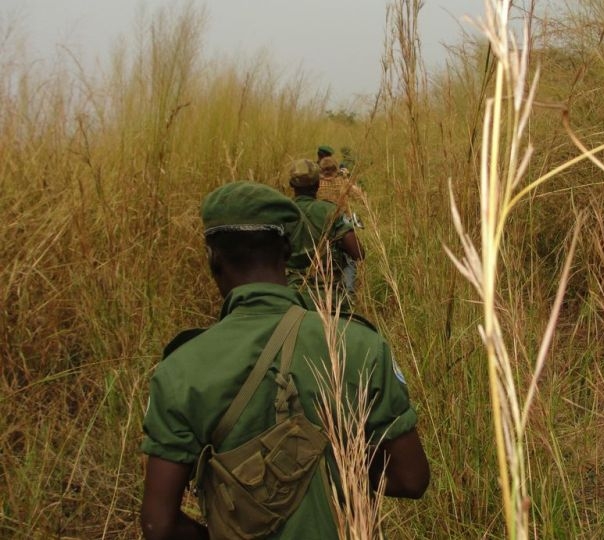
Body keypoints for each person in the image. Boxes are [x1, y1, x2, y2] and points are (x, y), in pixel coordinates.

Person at [139, 182, 429, 540]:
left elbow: (158, 524)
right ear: (287, 252)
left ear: (213, 258)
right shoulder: (359, 344)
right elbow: (411, 479)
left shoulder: (179, 370)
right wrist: (336, 468)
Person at [286, 159, 362, 311]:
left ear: (292, 185)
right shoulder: (331, 212)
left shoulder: (281, 211)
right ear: (317, 184)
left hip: (291, 297)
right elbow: (357, 252)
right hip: (329, 298)